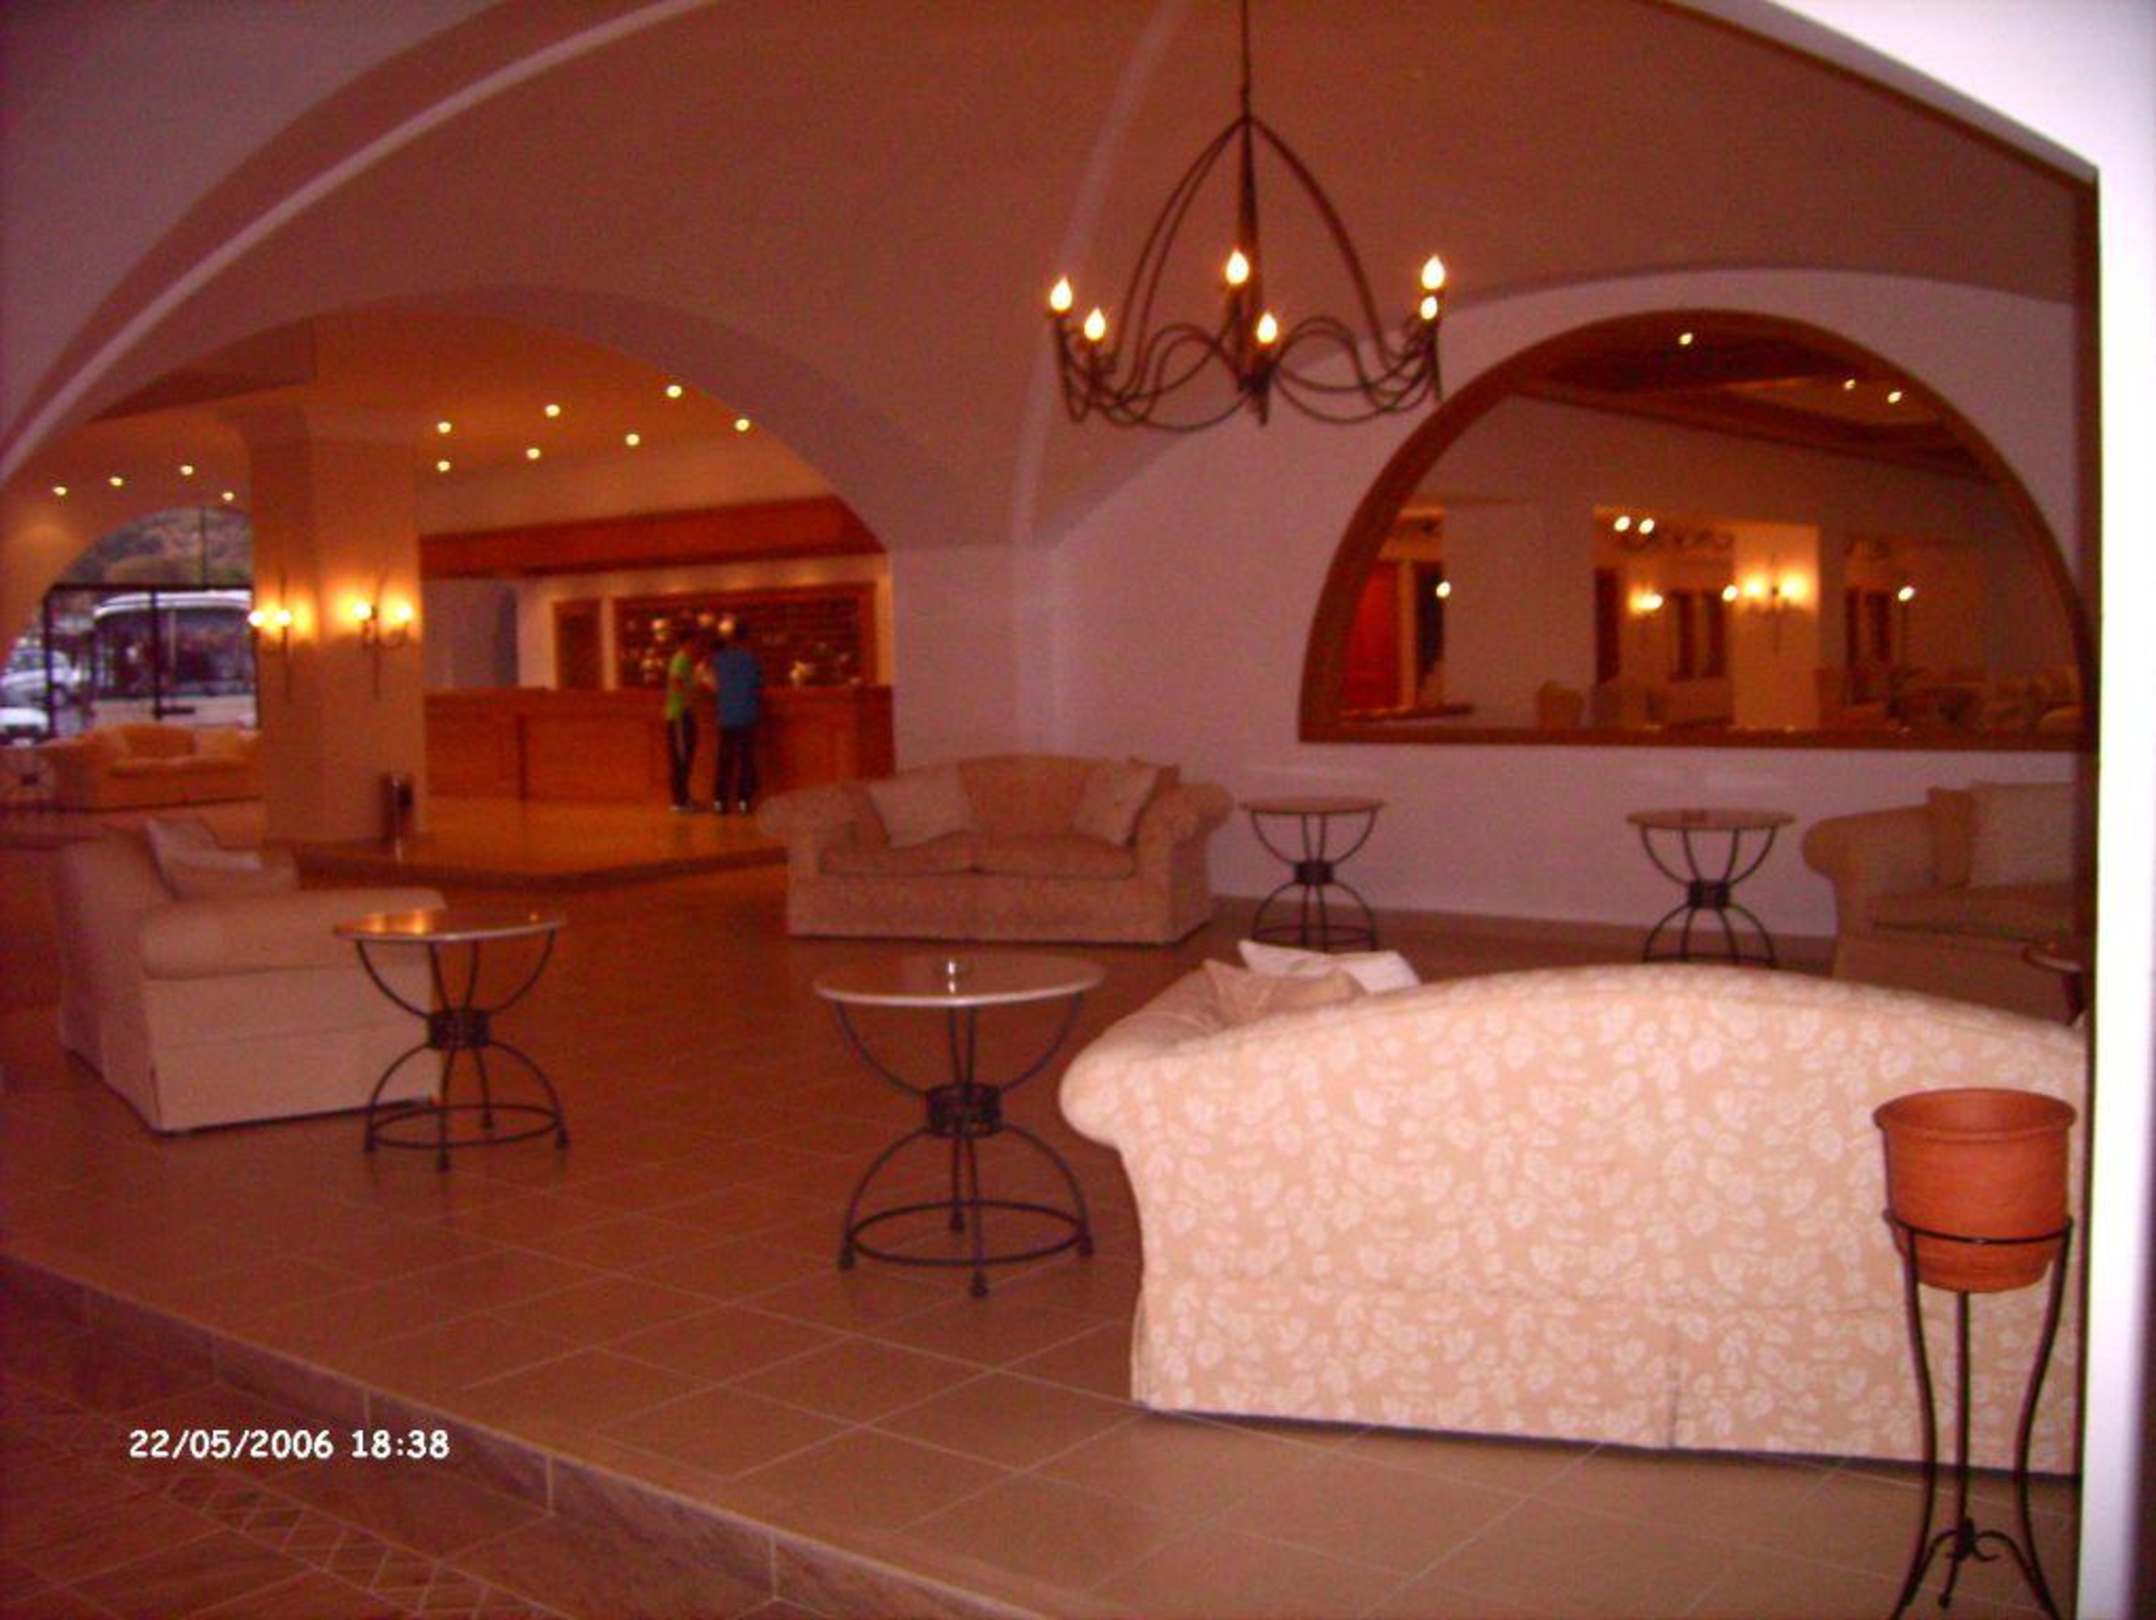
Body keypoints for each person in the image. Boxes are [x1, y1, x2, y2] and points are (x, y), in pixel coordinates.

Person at [709, 617, 764, 814]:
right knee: (745, 760)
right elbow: (758, 685)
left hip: (726, 715)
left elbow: (712, 683)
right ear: (747, 638)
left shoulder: (719, 660)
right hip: (747, 715)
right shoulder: (751, 660)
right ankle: (743, 801)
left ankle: (720, 801)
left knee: (725, 760)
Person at [662, 627, 710, 811]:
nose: (697, 646)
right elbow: (675, 681)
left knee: (686, 756)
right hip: (679, 714)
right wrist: (688, 697)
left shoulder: (688, 662)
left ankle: (684, 797)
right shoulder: (680, 660)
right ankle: (679, 800)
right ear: (686, 642)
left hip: (685, 713)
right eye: (695, 642)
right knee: (680, 758)